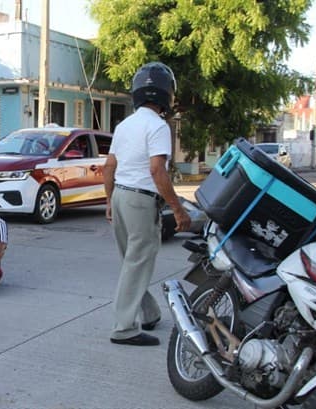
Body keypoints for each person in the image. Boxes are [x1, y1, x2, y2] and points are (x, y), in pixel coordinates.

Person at [102, 62, 191, 347]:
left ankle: (149, 313)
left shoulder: (124, 125)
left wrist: (108, 201)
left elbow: (109, 167)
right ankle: (124, 328)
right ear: (167, 94)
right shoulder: (158, 126)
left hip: (120, 197)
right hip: (141, 201)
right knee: (137, 263)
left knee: (132, 262)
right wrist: (177, 208)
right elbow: (157, 170)